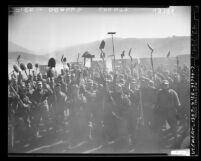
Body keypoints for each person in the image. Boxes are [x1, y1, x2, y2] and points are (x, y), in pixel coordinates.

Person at [153, 80, 181, 147]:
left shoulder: (173, 92)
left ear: (168, 85)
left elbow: (177, 103)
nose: (165, 86)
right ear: (162, 85)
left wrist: (178, 111)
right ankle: (160, 142)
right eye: (163, 84)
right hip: (162, 112)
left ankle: (176, 142)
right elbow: (156, 102)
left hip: (171, 112)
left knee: (174, 128)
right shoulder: (159, 92)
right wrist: (155, 108)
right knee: (161, 128)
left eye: (166, 84)